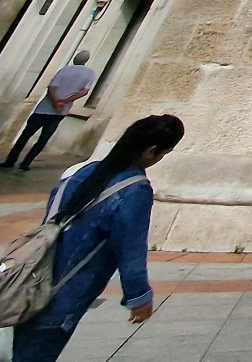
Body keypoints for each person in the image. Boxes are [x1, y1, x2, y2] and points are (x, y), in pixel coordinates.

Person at [8, 112, 183, 362]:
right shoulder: (134, 190)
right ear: (152, 151)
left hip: (29, 280)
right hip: (64, 293)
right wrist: (139, 296)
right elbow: (130, 248)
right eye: (164, 153)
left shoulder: (80, 172)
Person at [4, 51, 95, 171]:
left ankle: (10, 161)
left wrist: (56, 101)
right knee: (43, 140)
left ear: (75, 59)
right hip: (60, 112)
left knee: (25, 136)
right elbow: (84, 91)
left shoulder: (64, 70)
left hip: (44, 109)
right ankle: (25, 164)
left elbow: (52, 87)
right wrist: (64, 101)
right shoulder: (90, 74)